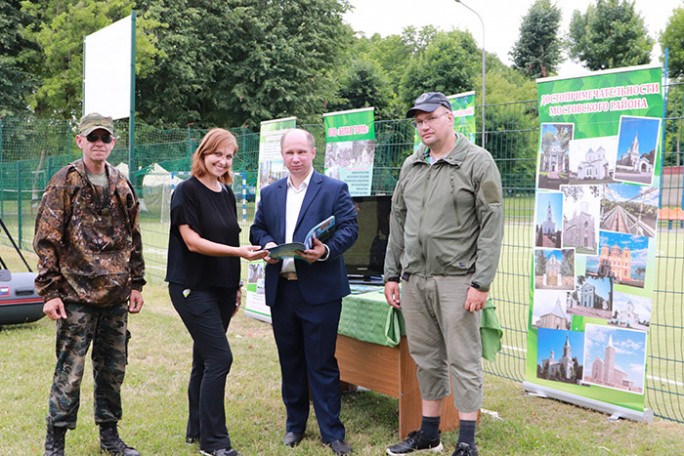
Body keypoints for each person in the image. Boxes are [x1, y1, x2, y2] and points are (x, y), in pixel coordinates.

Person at [383, 92, 504, 456]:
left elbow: (492, 223)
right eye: (418, 122)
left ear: (449, 118)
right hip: (414, 279)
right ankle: (429, 434)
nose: (424, 127)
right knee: (426, 358)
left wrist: (481, 282)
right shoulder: (411, 165)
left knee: (463, 359)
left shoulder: (477, 162)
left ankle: (466, 441)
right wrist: (392, 274)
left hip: (457, 279)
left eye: (430, 118)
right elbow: (397, 221)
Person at [34, 113, 146, 456]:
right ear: (80, 140)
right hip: (75, 296)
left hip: (115, 296)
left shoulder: (121, 184)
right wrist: (50, 292)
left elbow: (133, 236)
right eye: (92, 138)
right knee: (70, 372)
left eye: (105, 138)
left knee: (113, 370)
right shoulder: (64, 182)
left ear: (112, 143)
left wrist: (136, 283)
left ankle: (109, 437)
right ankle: (56, 442)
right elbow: (47, 240)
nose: (99, 144)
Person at [250, 128, 359, 456]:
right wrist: (267, 243)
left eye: (301, 152)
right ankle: (294, 425)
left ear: (314, 153)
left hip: (321, 292)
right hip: (283, 291)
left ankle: (332, 432)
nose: (295, 159)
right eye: (289, 153)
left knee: (322, 363)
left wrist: (326, 250)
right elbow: (258, 228)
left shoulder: (334, 189)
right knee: (291, 361)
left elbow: (350, 228)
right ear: (282, 156)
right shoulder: (269, 194)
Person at [165, 128, 268, 456]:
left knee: (205, 358)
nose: (223, 162)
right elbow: (193, 243)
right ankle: (214, 443)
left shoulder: (226, 192)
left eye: (229, 156)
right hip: (191, 288)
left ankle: (196, 427)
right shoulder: (185, 191)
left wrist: (235, 285)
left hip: (223, 289)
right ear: (203, 153)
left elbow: (224, 236)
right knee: (221, 357)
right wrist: (239, 252)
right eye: (217, 154)